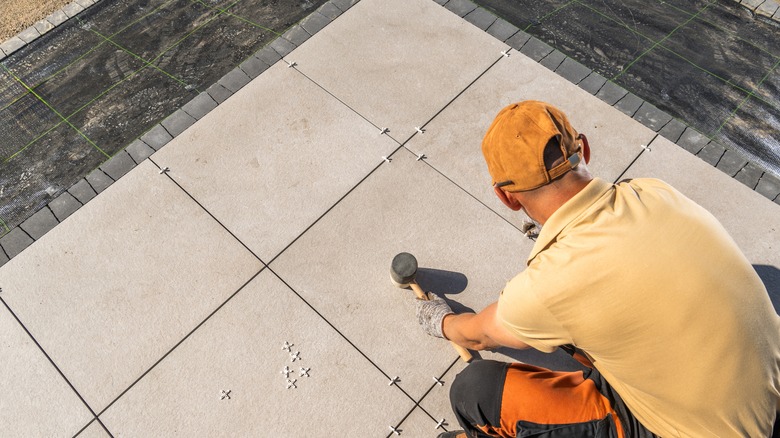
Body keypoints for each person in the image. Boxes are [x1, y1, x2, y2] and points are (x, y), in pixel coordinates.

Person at [416, 100, 780, 438]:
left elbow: (479, 335)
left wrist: (442, 322)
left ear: (506, 196)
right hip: (769, 393)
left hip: (692, 431)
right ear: (584, 149)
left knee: (475, 391)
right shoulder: (654, 191)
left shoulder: (549, 284)